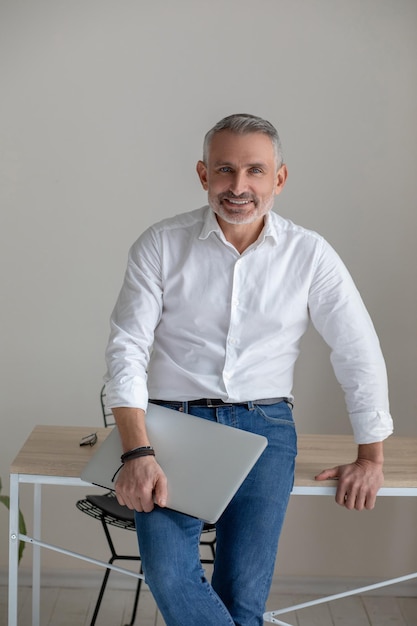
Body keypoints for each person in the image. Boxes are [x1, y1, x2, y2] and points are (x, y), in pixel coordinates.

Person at [104, 113, 393, 626]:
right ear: (203, 175)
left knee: (241, 597)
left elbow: (357, 350)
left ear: (278, 178)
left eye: (255, 171)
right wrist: (137, 450)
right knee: (170, 574)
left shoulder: (310, 254)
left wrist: (371, 456)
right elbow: (127, 347)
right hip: (173, 424)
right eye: (225, 170)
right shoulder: (161, 244)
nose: (239, 187)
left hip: (267, 426)